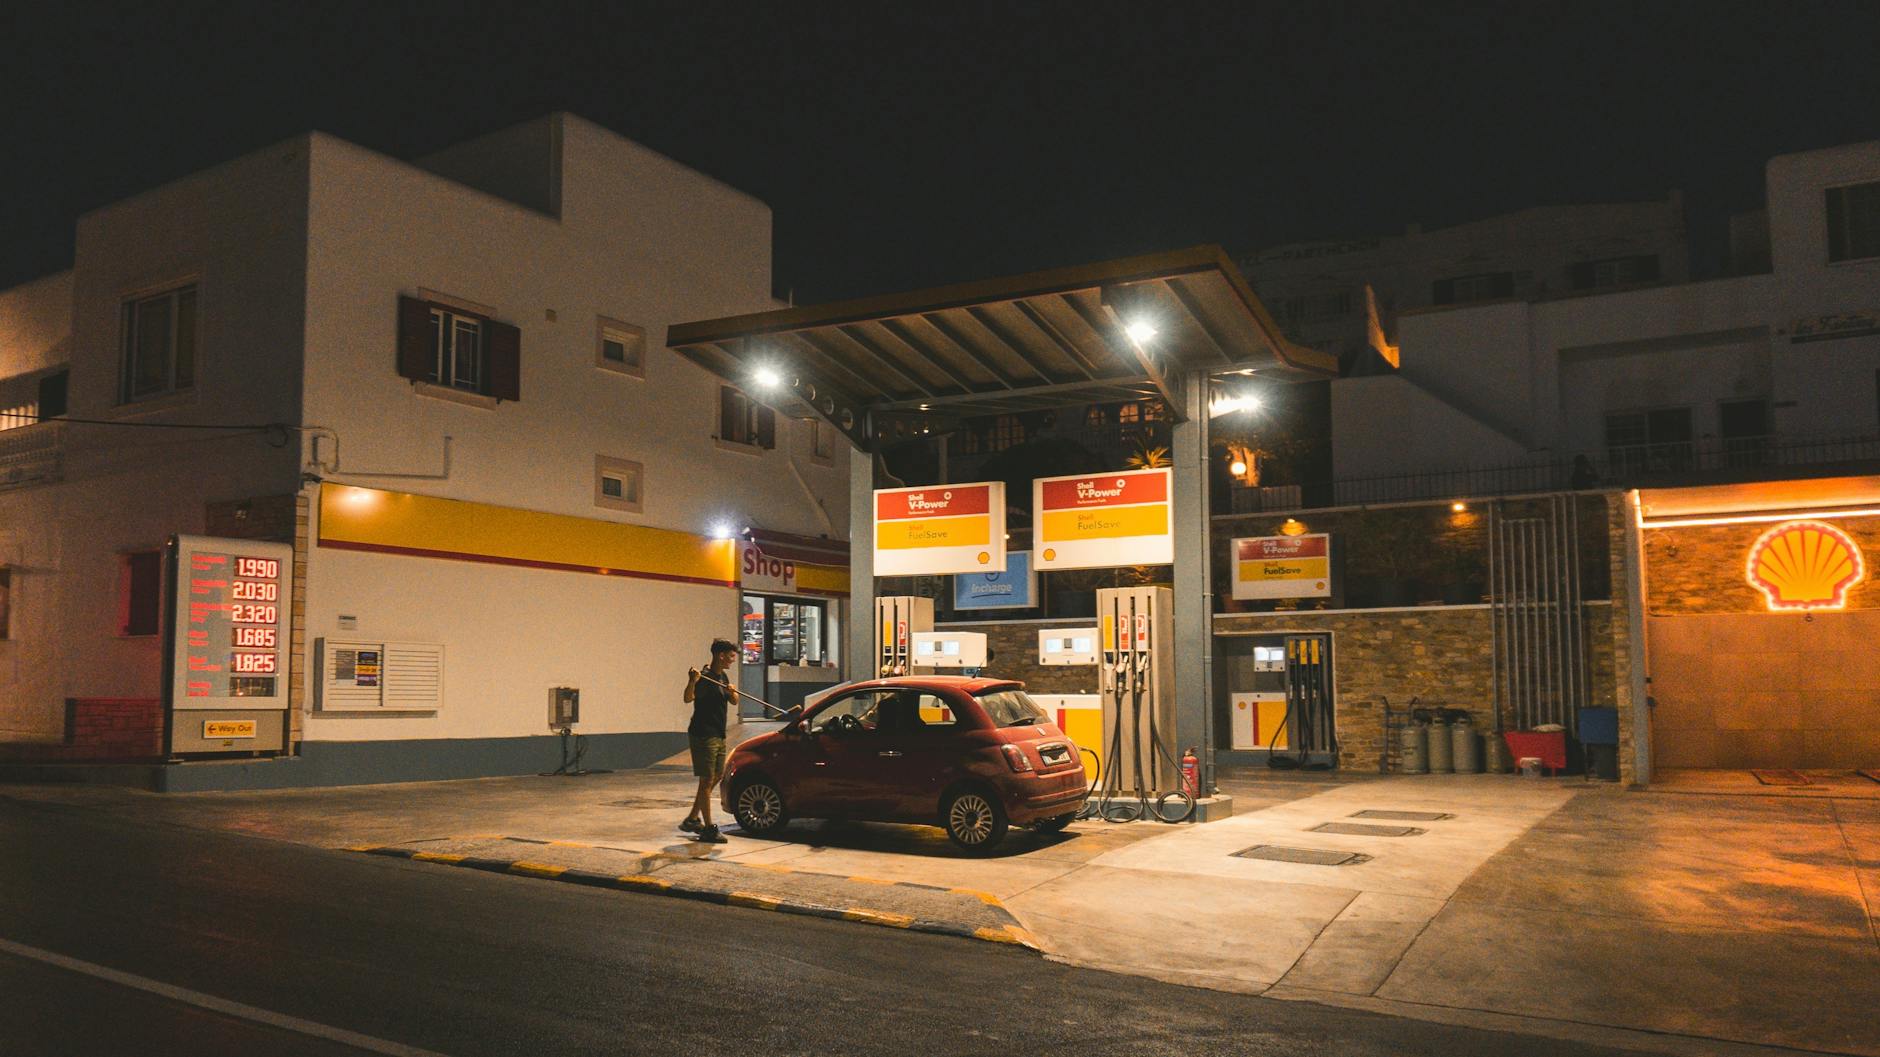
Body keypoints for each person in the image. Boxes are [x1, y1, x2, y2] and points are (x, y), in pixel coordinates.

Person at [681, 638, 739, 843]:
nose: (733, 660)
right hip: (703, 734)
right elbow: (688, 698)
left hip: (719, 733)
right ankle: (708, 827)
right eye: (731, 656)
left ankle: (692, 818)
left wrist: (732, 692)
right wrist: (691, 681)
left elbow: (733, 701)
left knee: (716, 776)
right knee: (706, 780)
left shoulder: (722, 677)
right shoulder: (704, 678)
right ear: (720, 655)